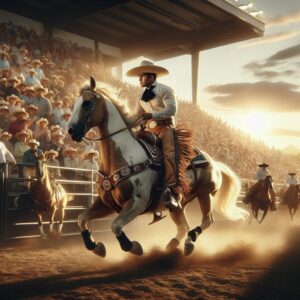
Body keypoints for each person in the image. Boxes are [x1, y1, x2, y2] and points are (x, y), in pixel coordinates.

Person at [126, 60, 182, 211]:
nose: (139, 79)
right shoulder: (141, 96)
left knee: (169, 154)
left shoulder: (166, 90)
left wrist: (153, 114)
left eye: (141, 76)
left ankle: (172, 190)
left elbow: (172, 110)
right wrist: (124, 123)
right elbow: (137, 116)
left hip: (165, 128)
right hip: (148, 130)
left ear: (150, 76)